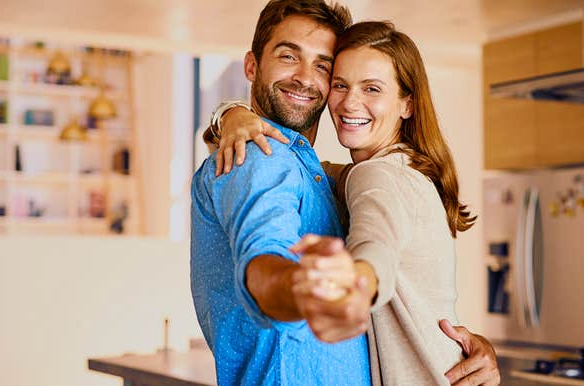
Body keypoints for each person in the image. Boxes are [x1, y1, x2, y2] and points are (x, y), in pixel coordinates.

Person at [192, 1, 500, 385]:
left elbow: (380, 249)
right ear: (252, 66)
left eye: (323, 66)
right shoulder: (261, 158)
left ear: (408, 104)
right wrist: (310, 290)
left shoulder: (353, 175)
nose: (306, 78)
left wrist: (229, 112)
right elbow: (264, 258)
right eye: (289, 56)